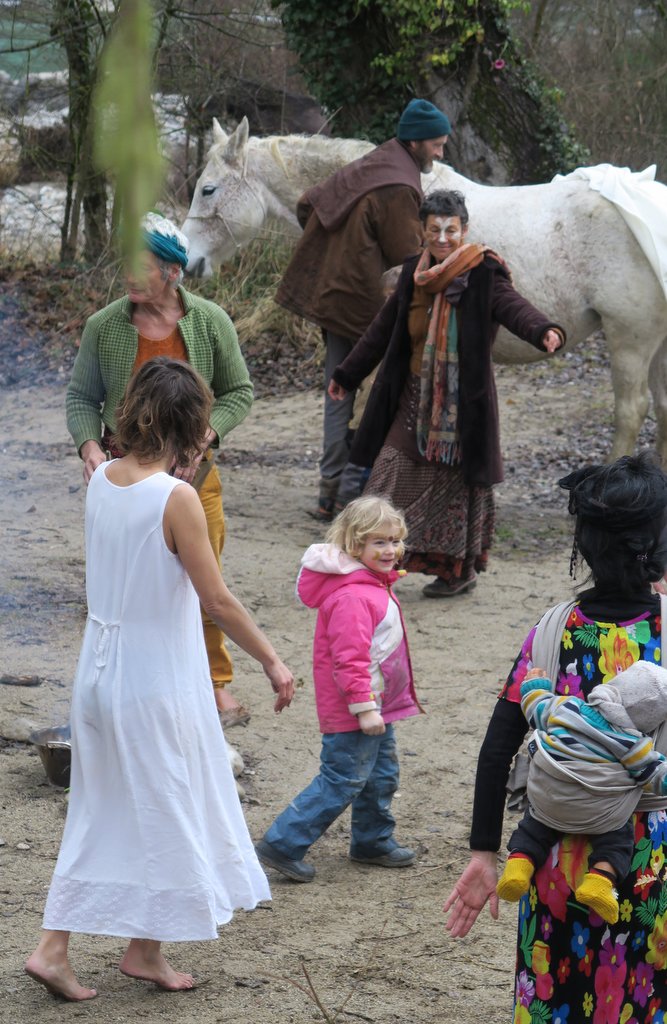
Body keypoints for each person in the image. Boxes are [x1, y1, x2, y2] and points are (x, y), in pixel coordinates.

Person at [25, 357, 294, 1001]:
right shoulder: (176, 499)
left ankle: (142, 949)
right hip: (153, 678)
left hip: (97, 672)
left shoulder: (102, 478)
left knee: (107, 808)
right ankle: (58, 948)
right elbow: (216, 599)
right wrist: (272, 659)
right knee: (167, 803)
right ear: (193, 424)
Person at [443, 453, 667, 1021]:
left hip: (553, 856)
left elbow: (498, 747)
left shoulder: (552, 630)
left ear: (585, 545)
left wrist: (483, 852)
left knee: (555, 999)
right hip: (649, 860)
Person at [66, 213, 253, 728]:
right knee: (124, 583)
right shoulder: (104, 326)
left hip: (193, 475)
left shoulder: (210, 321)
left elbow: (239, 392)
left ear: (172, 271)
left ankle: (214, 684)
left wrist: (205, 435)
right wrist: (88, 446)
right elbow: (81, 397)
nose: (128, 273)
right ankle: (125, 682)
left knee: (204, 579)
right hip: (124, 478)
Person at [329, 189, 564, 598]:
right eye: (434, 229)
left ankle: (457, 571)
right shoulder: (413, 273)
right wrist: (347, 374)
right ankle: (371, 567)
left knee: (458, 493)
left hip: (462, 409)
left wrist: (543, 330)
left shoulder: (483, 271)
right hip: (411, 400)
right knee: (385, 477)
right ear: (422, 230)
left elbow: (512, 306)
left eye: (450, 230)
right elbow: (382, 329)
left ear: (464, 230)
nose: (442, 238)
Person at [275, 98, 451, 522]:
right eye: (437, 144)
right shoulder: (400, 185)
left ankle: (328, 491)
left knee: (338, 389)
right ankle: (352, 495)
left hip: (334, 297)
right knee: (372, 395)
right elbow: (409, 256)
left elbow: (308, 204)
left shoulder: (376, 162)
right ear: (416, 141)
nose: (440, 153)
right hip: (364, 306)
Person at [254, 496, 422, 882]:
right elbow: (349, 659)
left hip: (376, 704)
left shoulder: (373, 584)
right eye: (379, 542)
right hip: (356, 709)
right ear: (354, 545)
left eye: (395, 541)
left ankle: (372, 840)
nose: (390, 550)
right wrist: (364, 708)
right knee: (342, 778)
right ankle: (282, 844)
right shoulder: (352, 596)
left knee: (381, 775)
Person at [497, 661, 667, 924]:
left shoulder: (566, 708)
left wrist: (534, 685)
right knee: (618, 839)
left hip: (549, 801)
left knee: (533, 826)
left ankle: (518, 865)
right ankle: (600, 880)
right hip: (598, 816)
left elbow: (535, 706)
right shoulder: (633, 744)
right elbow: (656, 776)